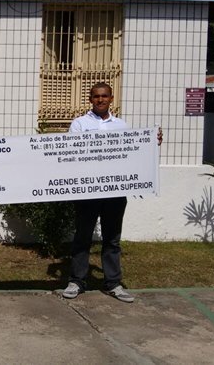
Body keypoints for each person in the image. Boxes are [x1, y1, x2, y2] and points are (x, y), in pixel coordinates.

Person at [61, 82, 162, 303]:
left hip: (114, 192)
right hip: (87, 191)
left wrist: (151, 143)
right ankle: (77, 281)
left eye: (104, 96)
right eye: (96, 96)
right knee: (82, 237)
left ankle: (113, 284)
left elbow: (132, 153)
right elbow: (70, 154)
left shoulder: (122, 125)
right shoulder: (79, 124)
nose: (100, 100)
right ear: (90, 99)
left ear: (111, 98)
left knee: (112, 239)